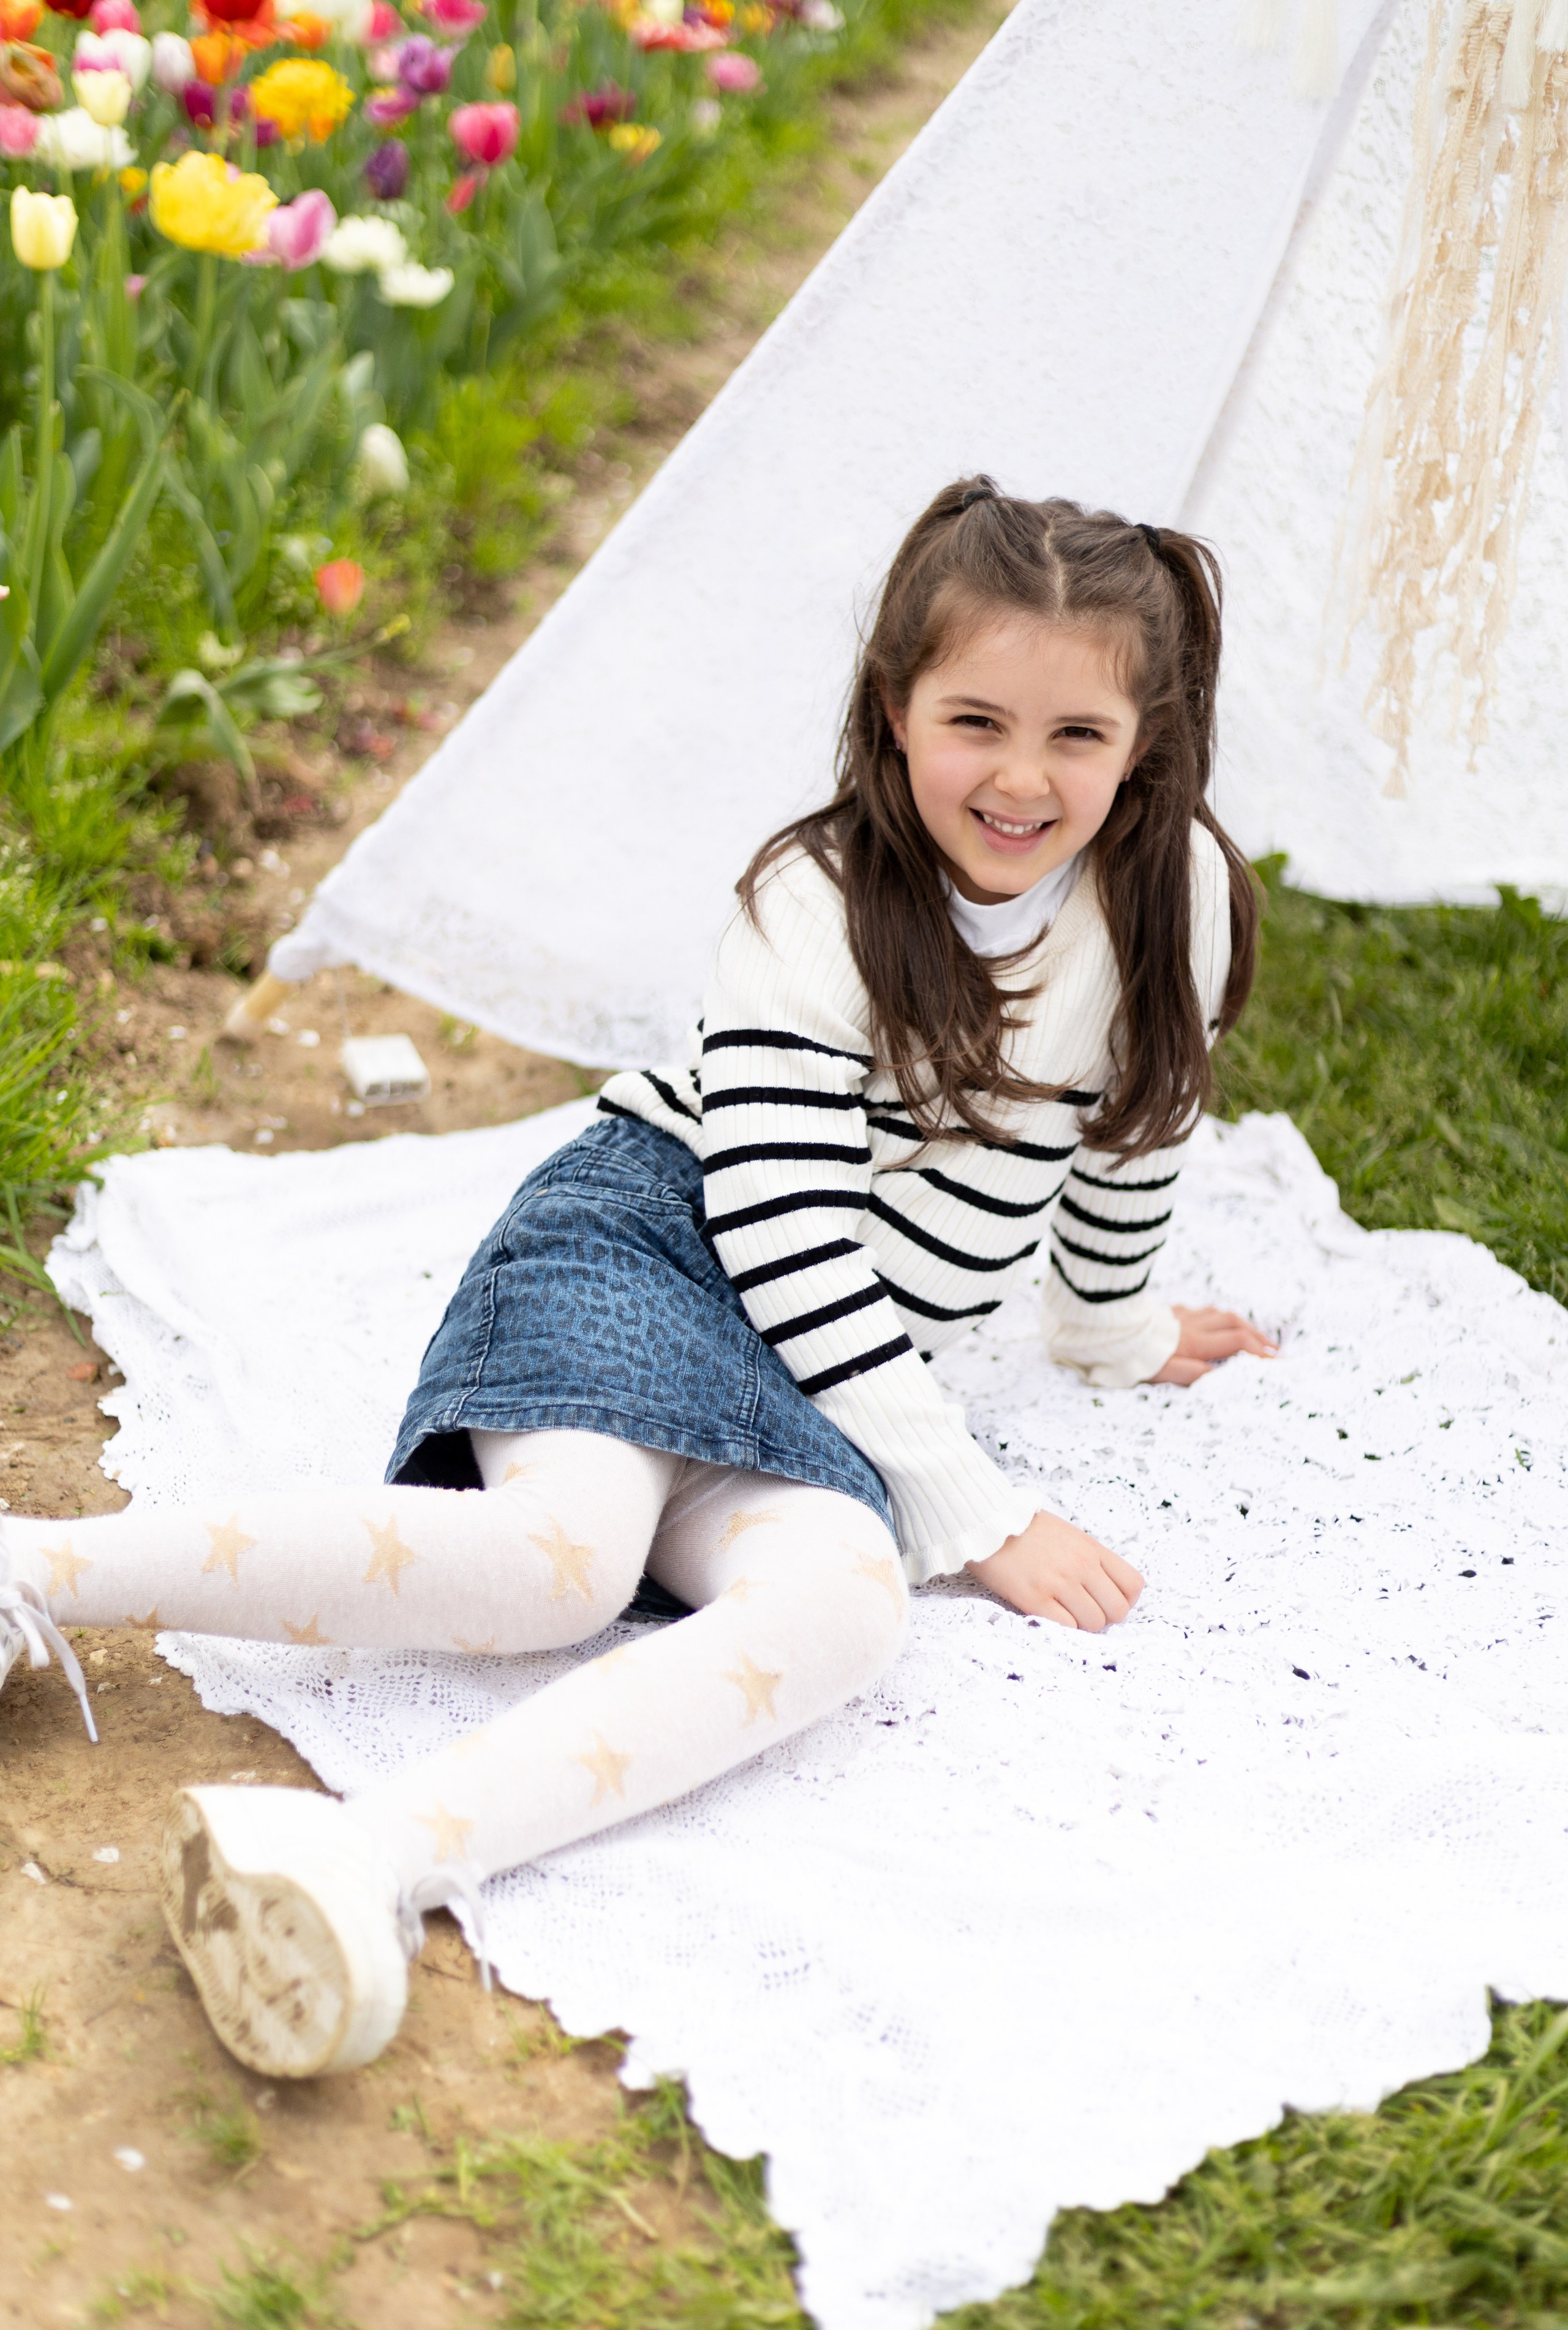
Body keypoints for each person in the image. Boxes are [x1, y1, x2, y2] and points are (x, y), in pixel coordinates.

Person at [0, 480, 1275, 2081]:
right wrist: (979, 1507)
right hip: (663, 1246)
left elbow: (1132, 1136)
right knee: (563, 1567)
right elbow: (786, 1229)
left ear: (1145, 742)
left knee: (847, 1607)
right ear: (895, 712)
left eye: (1077, 736)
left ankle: (361, 1860)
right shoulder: (813, 904)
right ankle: (37, 1572)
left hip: (828, 1364)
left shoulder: (1179, 904)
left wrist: (1114, 1327)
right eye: (975, 721)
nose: (1022, 778)